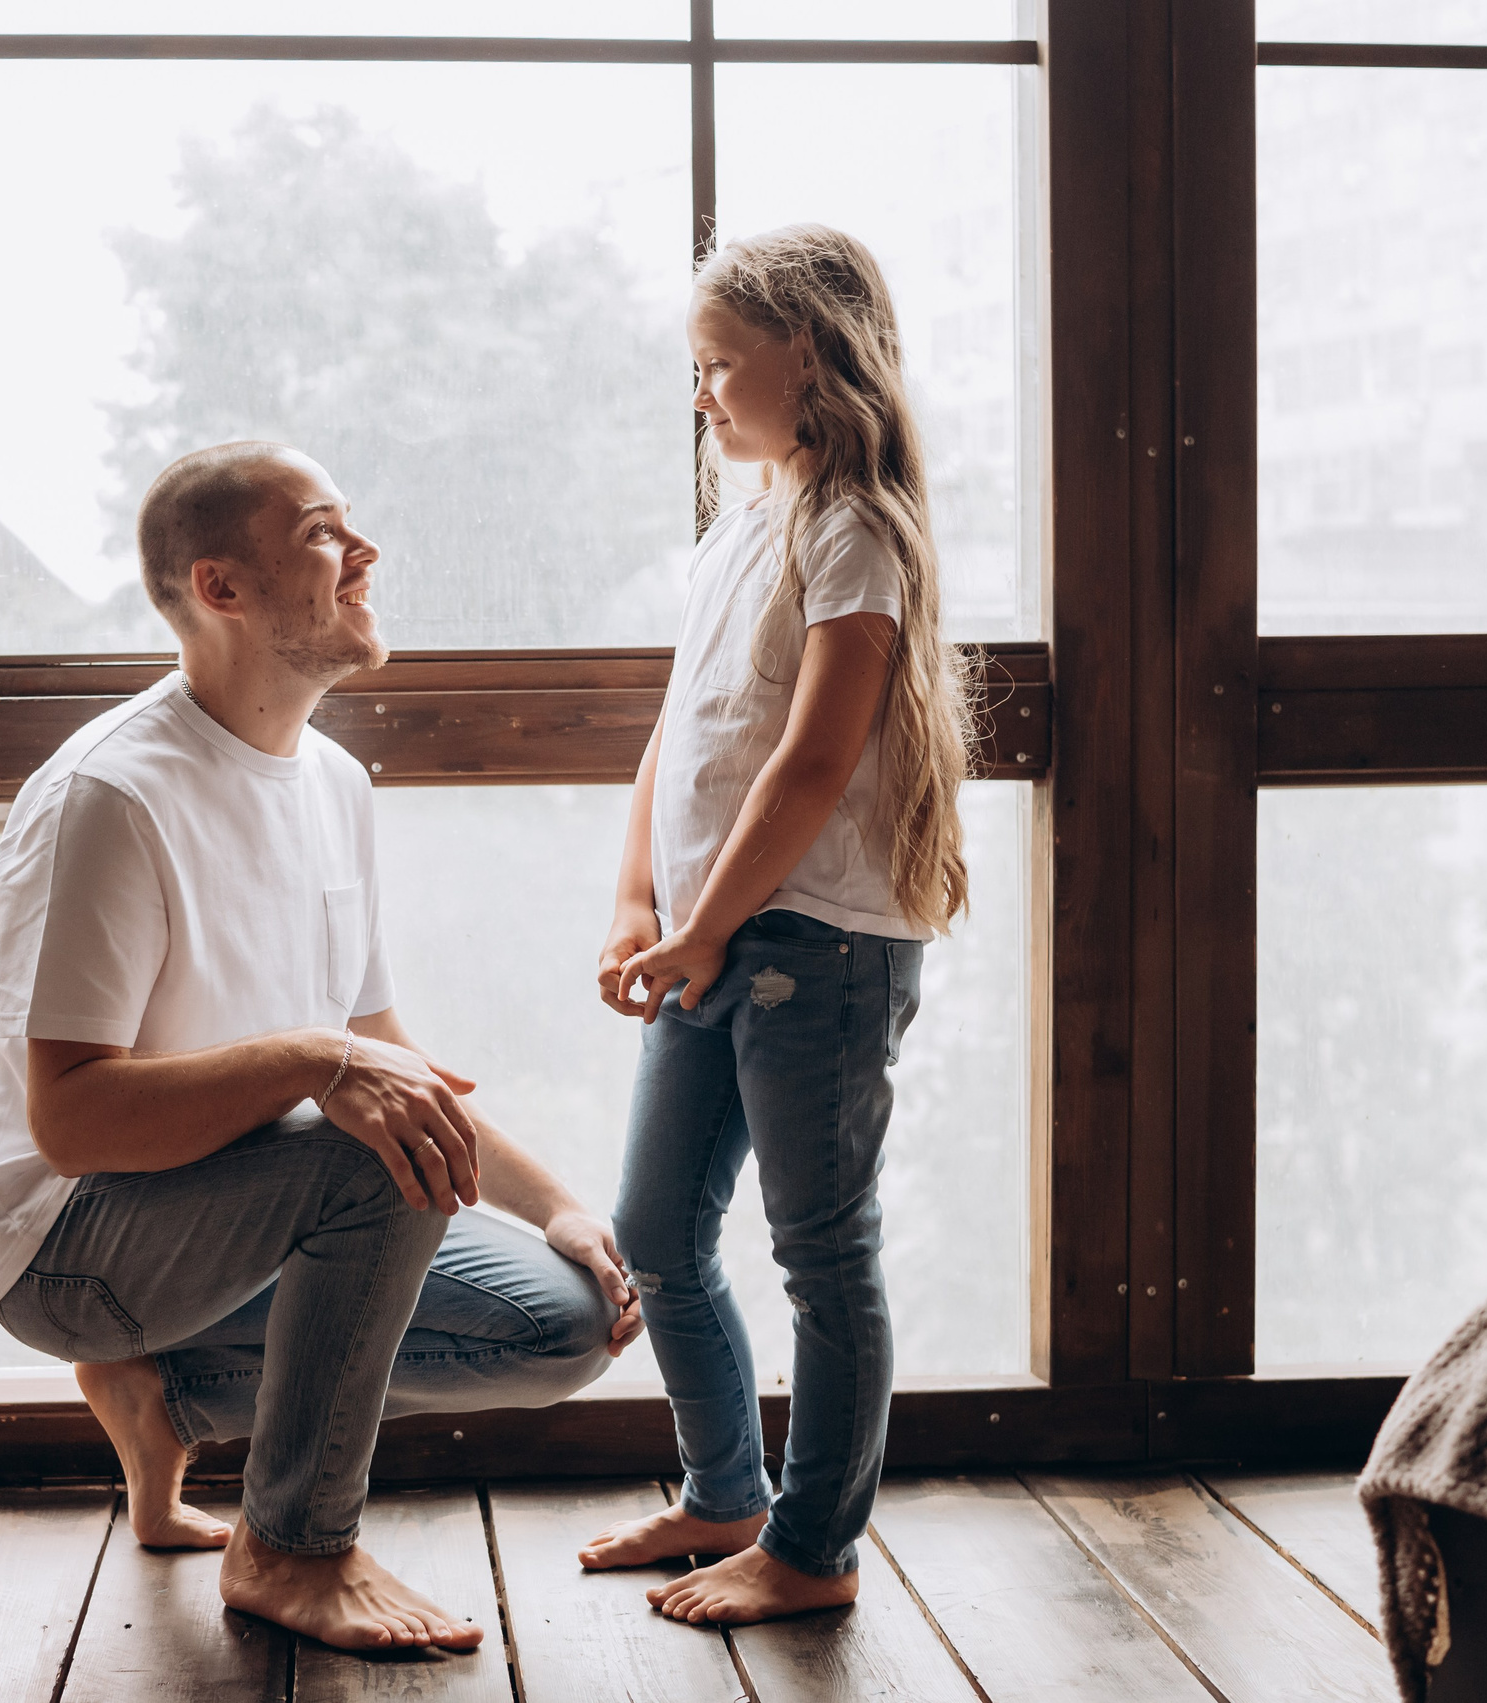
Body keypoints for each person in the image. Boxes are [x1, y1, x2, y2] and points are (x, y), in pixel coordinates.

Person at [0, 441, 643, 1654]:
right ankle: (292, 1548)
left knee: (565, 1320)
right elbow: (72, 1119)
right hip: (67, 1240)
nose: (364, 551)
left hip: (246, 1204)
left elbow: (382, 1054)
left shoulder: (333, 780)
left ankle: (165, 1396)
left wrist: (560, 1205)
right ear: (220, 587)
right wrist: (315, 1061)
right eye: (322, 531)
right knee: (365, 1157)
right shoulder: (110, 796)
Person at [575, 224, 975, 1625]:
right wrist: (640, 900)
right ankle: (725, 1491)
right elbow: (676, 734)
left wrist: (706, 928)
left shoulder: (856, 528)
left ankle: (813, 1550)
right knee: (655, 1229)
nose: (700, 394)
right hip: (716, 938)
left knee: (821, 1248)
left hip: (816, 945)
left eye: (717, 364)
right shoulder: (739, 527)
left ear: (804, 354)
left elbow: (813, 759)